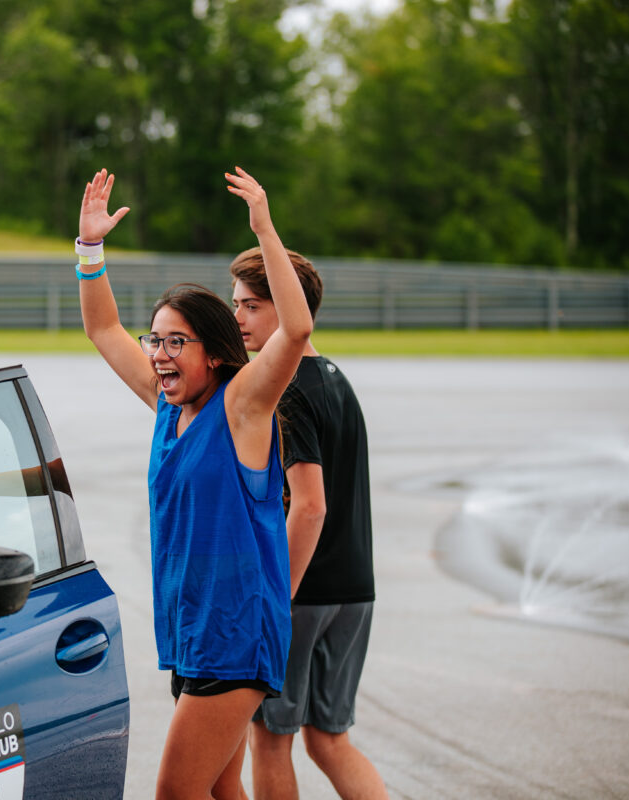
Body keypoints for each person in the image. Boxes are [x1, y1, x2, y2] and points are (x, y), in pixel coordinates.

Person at [77, 167, 312, 800]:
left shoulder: (242, 406)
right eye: (155, 339)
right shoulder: (165, 406)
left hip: (236, 636)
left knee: (176, 793)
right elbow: (103, 329)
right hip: (193, 634)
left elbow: (295, 331)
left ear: (213, 351)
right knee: (218, 790)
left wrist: (264, 229)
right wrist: (89, 250)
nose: (158, 353)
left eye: (176, 341)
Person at [230, 250, 388, 800]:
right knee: (328, 738)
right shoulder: (335, 379)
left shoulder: (288, 390)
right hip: (355, 592)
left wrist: (278, 594)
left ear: (288, 306)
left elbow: (310, 505)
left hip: (303, 593)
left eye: (251, 305)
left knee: (269, 739)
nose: (238, 319)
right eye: (235, 305)